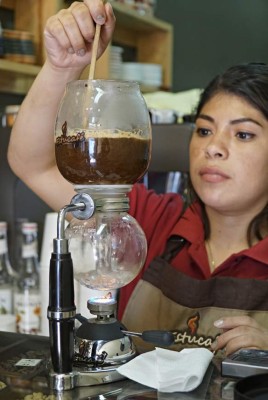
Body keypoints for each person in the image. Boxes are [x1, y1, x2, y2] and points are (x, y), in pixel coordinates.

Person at [7, 0, 268, 358]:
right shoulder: (149, 220)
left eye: (243, 135)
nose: (214, 148)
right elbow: (33, 164)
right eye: (205, 131)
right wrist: (61, 67)